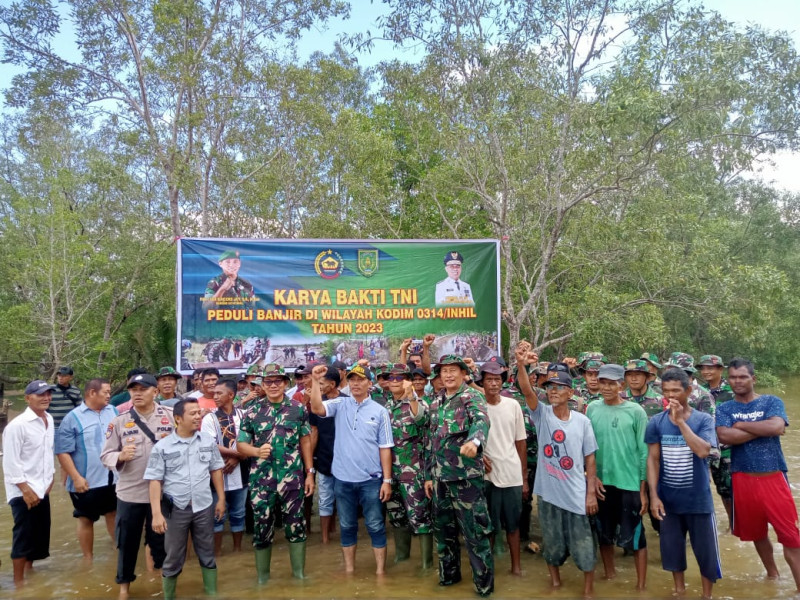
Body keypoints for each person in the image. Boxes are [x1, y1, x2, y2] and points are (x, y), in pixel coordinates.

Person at [514, 343, 598, 597]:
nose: (552, 391)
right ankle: (555, 585)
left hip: (575, 494)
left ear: (570, 392)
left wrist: (591, 492)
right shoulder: (542, 415)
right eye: (549, 387)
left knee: (584, 547)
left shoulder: (582, 421)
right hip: (548, 495)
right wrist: (520, 364)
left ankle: (588, 591)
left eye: (559, 387)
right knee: (552, 545)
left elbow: (590, 459)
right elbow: (527, 390)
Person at [716, 358, 800, 592]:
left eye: (742, 376)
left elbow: (776, 428)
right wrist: (761, 428)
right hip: (742, 478)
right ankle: (772, 575)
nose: (737, 381)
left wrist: (741, 426)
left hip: (773, 477)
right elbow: (724, 437)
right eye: (733, 377)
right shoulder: (724, 408)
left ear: (753, 378)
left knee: (791, 537)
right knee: (756, 533)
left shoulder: (771, 401)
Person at [309, 363, 393, 575]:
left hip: (372, 480)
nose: (356, 384)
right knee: (347, 526)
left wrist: (387, 480)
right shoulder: (340, 404)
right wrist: (314, 380)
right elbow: (317, 408)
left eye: (361, 380)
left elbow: (385, 448)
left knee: (375, 525)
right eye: (353, 380)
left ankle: (380, 572)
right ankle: (349, 572)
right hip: (343, 479)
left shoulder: (380, 411)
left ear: (369, 384)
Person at [646, 368, 721, 599]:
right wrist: (654, 497)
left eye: (676, 391)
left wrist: (680, 423)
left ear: (688, 390)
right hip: (669, 502)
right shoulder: (656, 422)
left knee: (706, 555)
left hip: (699, 502)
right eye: (667, 391)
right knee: (673, 554)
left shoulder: (704, 420)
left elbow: (702, 451)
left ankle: (706, 596)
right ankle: (679, 592)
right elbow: (653, 460)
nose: (671, 396)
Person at [101, 373, 175, 599]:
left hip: (163, 494)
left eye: (143, 389)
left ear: (155, 391)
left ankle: (165, 586)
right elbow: (105, 456)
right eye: (133, 389)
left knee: (162, 543)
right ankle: (124, 589)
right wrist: (121, 455)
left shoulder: (172, 417)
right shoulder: (119, 421)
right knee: (127, 543)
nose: (137, 393)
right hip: (130, 493)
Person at [238, 364, 315, 582]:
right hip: (262, 480)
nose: (273, 385)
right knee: (262, 527)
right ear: (262, 385)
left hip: (293, 479)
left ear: (285, 384)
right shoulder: (252, 411)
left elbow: (305, 441)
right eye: (268, 382)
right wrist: (256, 451)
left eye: (277, 381)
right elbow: (240, 445)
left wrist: (309, 473)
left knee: (296, 525)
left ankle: (299, 575)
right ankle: (263, 578)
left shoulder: (298, 409)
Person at [423, 355, 493, 597]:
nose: (448, 375)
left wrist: (475, 441)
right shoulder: (436, 402)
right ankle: (449, 580)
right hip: (440, 480)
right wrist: (429, 475)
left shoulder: (472, 397)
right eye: (444, 371)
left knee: (475, 535)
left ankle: (483, 587)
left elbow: (482, 421)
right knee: (443, 534)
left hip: (466, 480)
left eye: (453, 370)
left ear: (464, 374)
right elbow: (431, 442)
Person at [145, 399, 226, 599]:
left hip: (203, 506)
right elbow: (155, 481)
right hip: (175, 509)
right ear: (178, 419)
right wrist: (156, 514)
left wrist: (221, 499)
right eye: (193, 413)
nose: (198, 417)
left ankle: (212, 593)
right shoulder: (162, 446)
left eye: (199, 413)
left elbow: (216, 469)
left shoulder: (207, 441)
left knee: (207, 552)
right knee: (173, 556)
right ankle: (169, 596)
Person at [585, 363, 649, 590]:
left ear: (621, 385)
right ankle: (610, 576)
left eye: (612, 383)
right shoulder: (592, 408)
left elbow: (644, 452)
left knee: (636, 538)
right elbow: (587, 447)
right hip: (602, 483)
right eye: (603, 382)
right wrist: (590, 478)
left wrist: (643, 491)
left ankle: (640, 587)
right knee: (604, 534)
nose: (606, 387)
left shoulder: (636, 411)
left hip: (629, 484)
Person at [55, 378, 118, 560]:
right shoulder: (72, 418)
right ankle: (88, 559)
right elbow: (63, 452)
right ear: (92, 393)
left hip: (112, 478)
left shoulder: (113, 411)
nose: (109, 395)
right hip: (85, 480)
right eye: (106, 392)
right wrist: (75, 478)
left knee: (113, 514)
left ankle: (117, 551)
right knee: (85, 518)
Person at [3, 380, 56, 586]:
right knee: (23, 535)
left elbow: (47, 452)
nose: (46, 398)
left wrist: (50, 477)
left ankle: (29, 572)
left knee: (39, 535)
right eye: (40, 394)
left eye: (48, 394)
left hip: (43, 486)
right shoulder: (17, 426)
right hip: (22, 489)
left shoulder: (49, 419)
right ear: (27, 398)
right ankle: (19, 584)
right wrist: (25, 489)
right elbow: (10, 462)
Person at [383, 363, 433, 568]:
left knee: (420, 518)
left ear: (408, 380)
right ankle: (402, 557)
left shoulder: (419, 402)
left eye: (400, 378)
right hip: (390, 474)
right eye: (391, 378)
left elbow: (421, 419)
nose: (395, 381)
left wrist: (411, 394)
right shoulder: (385, 408)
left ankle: (426, 564)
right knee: (396, 516)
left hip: (414, 474)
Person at [480, 360, 527, 576]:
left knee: (513, 525)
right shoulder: (476, 405)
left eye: (497, 379)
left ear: (503, 382)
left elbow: (521, 442)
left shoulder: (513, 405)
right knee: (487, 525)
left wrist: (524, 478)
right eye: (489, 379)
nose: (493, 383)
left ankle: (516, 567)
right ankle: (488, 569)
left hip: (511, 473)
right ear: (483, 381)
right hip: (487, 475)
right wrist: (479, 458)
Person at [201, 379, 247, 555]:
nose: (215, 396)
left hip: (241, 473)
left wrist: (237, 459)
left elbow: (251, 440)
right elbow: (210, 445)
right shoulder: (209, 418)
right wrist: (239, 454)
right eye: (214, 393)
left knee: (239, 513)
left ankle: (237, 550)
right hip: (216, 473)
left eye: (219, 393)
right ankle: (217, 552)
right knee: (217, 516)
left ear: (231, 395)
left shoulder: (243, 415)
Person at [697, 354, 735, 529]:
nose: (706, 371)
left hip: (728, 449)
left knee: (730, 489)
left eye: (710, 368)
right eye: (703, 368)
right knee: (710, 489)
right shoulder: (698, 392)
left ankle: (734, 525)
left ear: (720, 369)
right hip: (706, 448)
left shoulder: (732, 391)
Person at [308, 366, 341, 544]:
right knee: (325, 498)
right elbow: (314, 432)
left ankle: (341, 534)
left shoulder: (347, 402)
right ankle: (325, 539)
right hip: (324, 457)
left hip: (344, 459)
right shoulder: (315, 403)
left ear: (333, 384)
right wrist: (310, 462)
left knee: (343, 498)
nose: (319, 386)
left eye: (322, 383)